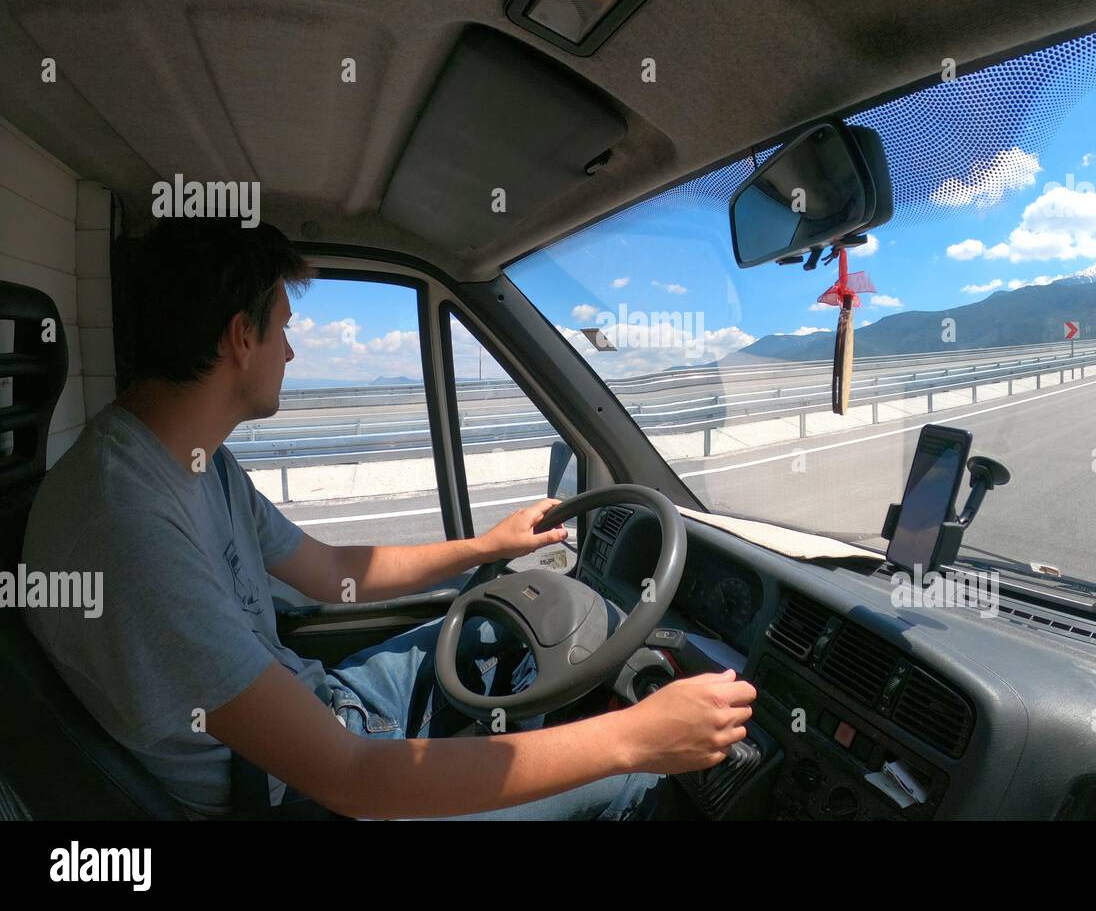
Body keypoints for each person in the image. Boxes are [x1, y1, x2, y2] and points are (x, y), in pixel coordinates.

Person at [21, 217, 755, 820]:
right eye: (282, 326)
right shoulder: (127, 525)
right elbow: (354, 778)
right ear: (239, 338)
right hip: (304, 796)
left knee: (491, 625)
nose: (292, 347)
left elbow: (331, 572)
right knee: (629, 788)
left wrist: (484, 546)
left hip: (329, 710)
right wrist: (635, 738)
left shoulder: (191, 459)